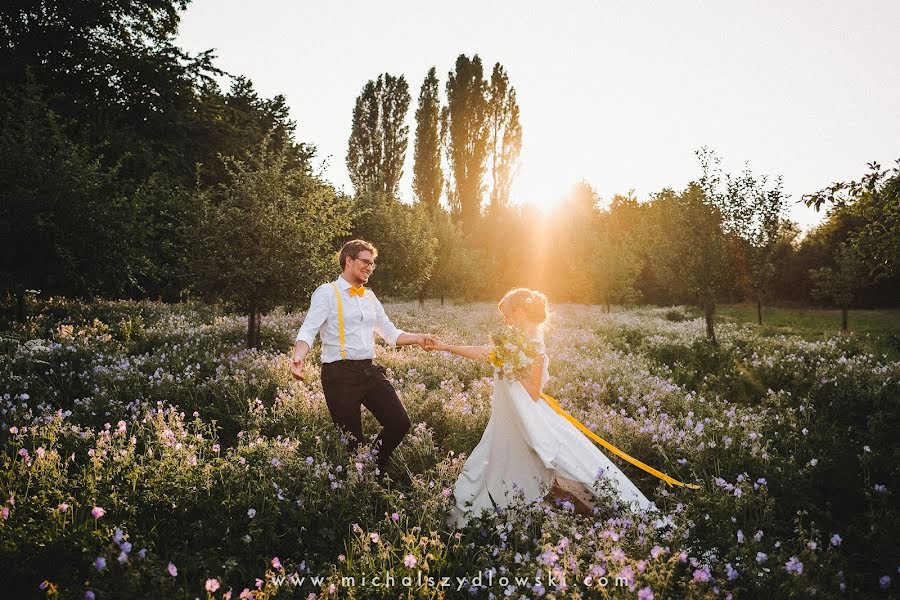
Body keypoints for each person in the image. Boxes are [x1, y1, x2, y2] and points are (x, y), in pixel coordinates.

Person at [425, 288, 657, 527]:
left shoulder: (533, 344)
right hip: (509, 420)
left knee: (563, 466)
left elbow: (533, 391)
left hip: (528, 419)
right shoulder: (515, 343)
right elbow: (486, 353)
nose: (505, 320)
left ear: (520, 311)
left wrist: (509, 363)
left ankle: (612, 518)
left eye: (507, 314)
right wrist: (445, 347)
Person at [290, 239, 437, 475]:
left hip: (368, 371)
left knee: (399, 422)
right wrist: (299, 356)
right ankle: (361, 481)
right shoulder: (327, 292)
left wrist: (419, 338)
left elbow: (390, 333)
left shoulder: (369, 297)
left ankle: (371, 467)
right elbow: (308, 329)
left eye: (372, 263)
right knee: (352, 443)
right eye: (365, 262)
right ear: (348, 260)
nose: (369, 267)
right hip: (339, 374)